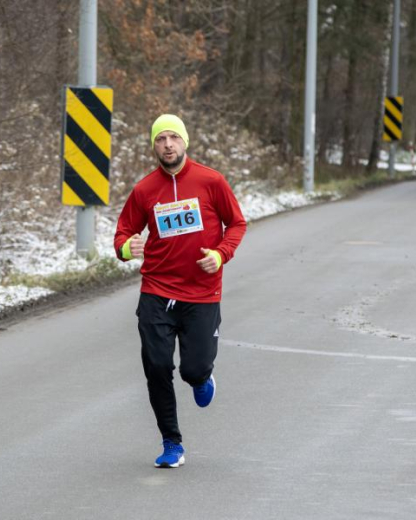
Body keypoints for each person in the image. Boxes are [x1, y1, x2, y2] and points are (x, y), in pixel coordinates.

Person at [114, 114, 247, 468]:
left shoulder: (211, 181)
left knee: (192, 370)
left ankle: (202, 377)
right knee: (157, 367)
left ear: (185, 141)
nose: (168, 144)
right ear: (153, 145)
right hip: (156, 290)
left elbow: (237, 223)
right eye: (161, 139)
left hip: (202, 293)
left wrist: (220, 255)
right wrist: (129, 248)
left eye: (174, 137)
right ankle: (171, 443)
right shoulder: (144, 190)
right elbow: (122, 234)